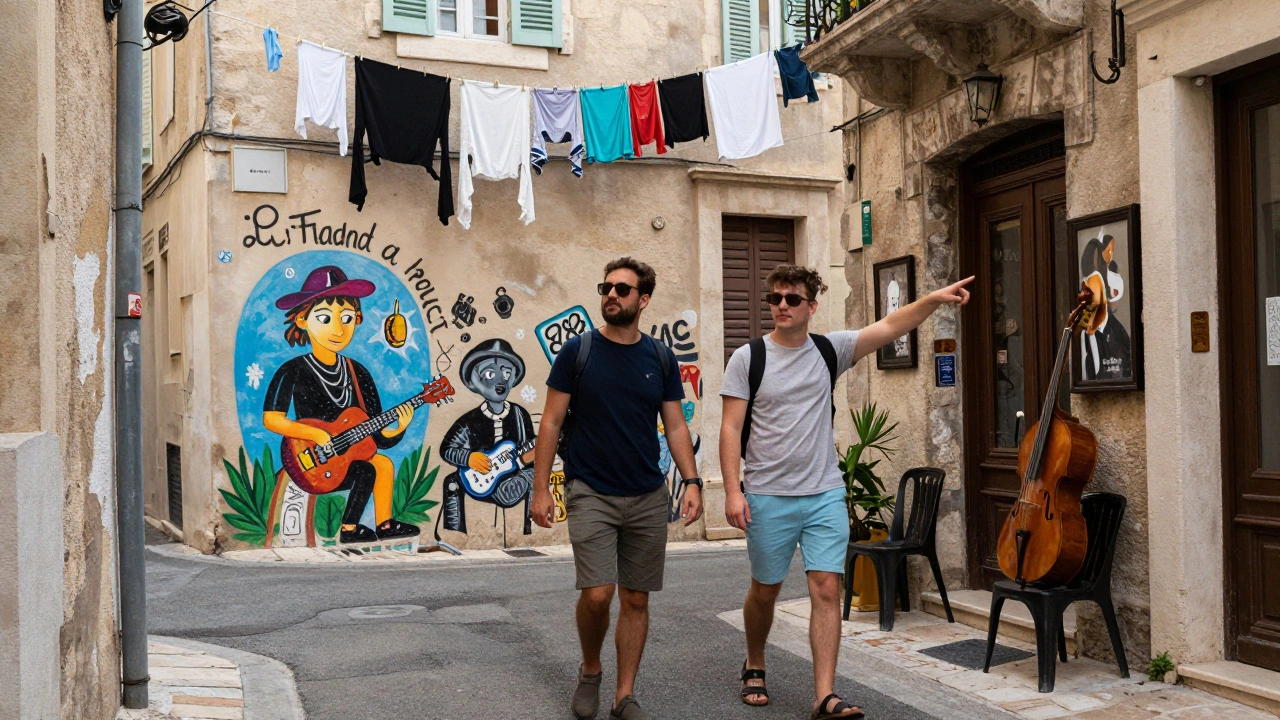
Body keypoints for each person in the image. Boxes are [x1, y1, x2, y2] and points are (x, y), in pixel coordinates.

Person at [720, 264, 973, 720]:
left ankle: (823, 695)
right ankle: (755, 661)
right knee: (765, 590)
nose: (781, 306)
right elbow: (730, 427)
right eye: (774, 298)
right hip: (768, 494)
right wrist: (733, 491)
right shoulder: (748, 358)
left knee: (826, 589)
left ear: (810, 307)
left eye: (791, 299)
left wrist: (933, 300)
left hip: (823, 494)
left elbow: (890, 325)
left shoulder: (828, 350)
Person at [532, 257, 703, 720]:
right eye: (606, 287)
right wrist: (540, 489)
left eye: (622, 290)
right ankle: (591, 669)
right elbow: (550, 421)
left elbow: (675, 426)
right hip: (590, 488)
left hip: (647, 492)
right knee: (598, 594)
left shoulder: (660, 357)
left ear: (643, 300)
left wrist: (691, 481)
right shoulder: (578, 351)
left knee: (636, 597)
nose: (611, 294)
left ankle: (624, 695)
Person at [262, 265, 420, 544]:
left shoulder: (358, 373)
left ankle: (383, 525)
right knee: (367, 469)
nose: (337, 328)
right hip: (309, 460)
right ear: (302, 320)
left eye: (346, 318)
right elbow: (272, 420)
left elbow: (376, 437)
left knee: (382, 463)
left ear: (356, 320)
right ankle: (350, 530)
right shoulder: (292, 370)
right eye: (324, 318)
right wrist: (317, 435)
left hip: (343, 459)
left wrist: (399, 428)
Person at [439, 339, 538, 537]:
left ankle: (530, 531)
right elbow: (447, 449)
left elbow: (530, 452)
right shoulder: (469, 420)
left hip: (514, 477)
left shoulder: (520, 415)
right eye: (490, 373)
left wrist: (531, 456)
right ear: (472, 381)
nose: (500, 381)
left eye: (507, 373)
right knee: (452, 482)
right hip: (481, 481)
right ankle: (455, 535)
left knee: (536, 476)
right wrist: (468, 458)